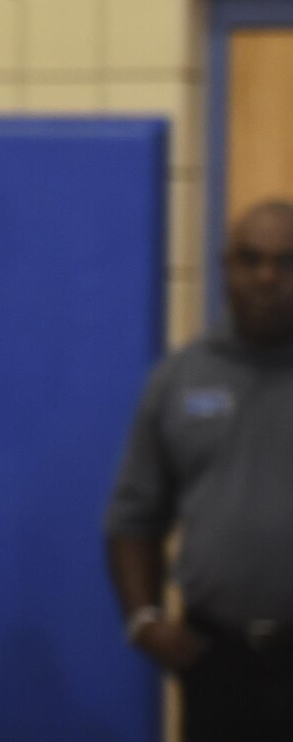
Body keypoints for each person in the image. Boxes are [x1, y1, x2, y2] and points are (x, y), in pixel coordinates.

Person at [104, 198, 293, 742]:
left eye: (286, 262)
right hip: (218, 663)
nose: (267, 276)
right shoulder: (179, 379)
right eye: (250, 259)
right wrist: (144, 618)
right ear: (224, 267)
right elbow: (132, 517)